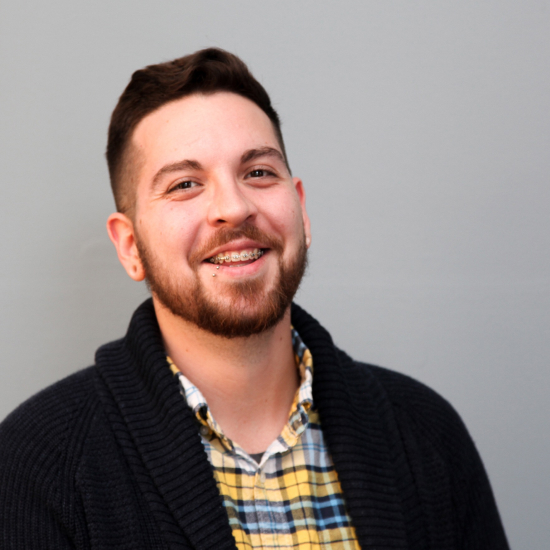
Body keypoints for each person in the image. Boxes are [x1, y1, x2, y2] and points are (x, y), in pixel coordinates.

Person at [0, 48, 509, 550]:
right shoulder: (36, 467)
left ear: (301, 212)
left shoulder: (426, 435)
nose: (234, 207)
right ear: (130, 247)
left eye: (259, 172)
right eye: (184, 184)